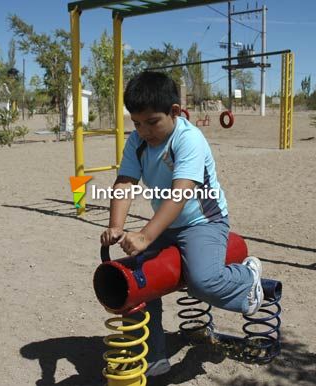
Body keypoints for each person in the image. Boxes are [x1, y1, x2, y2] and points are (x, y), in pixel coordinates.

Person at [100, 71, 263, 377]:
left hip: (204, 221)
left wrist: (147, 236)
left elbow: (182, 193)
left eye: (151, 122)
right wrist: (116, 225)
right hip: (168, 224)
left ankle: (247, 278)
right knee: (137, 281)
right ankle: (152, 357)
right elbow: (124, 182)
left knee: (203, 282)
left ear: (174, 112)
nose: (143, 130)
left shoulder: (188, 139)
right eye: (136, 123)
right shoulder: (137, 142)